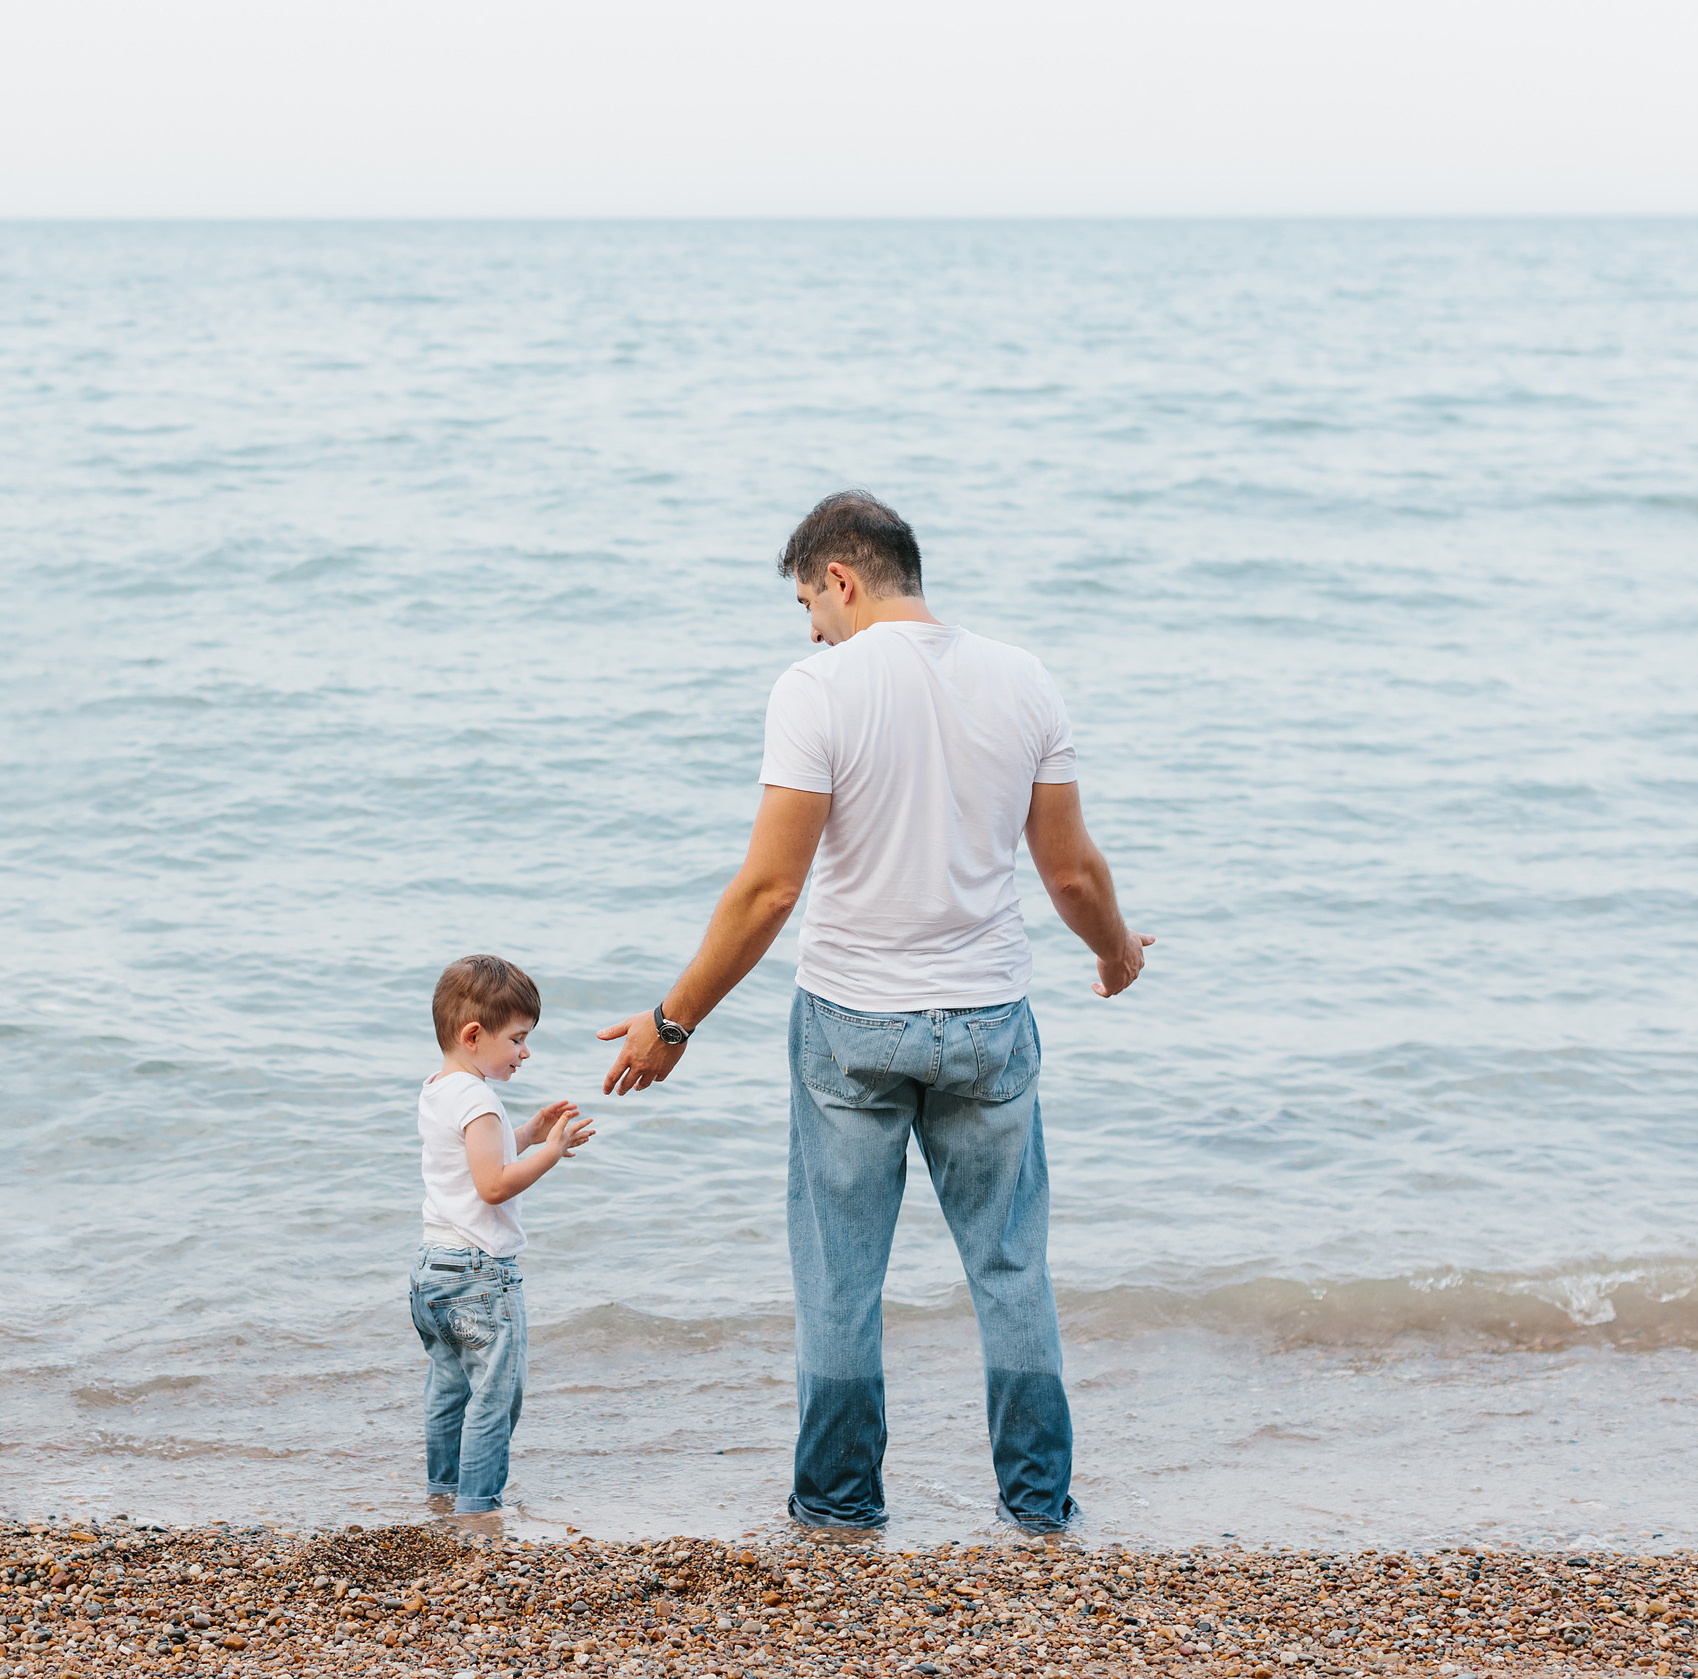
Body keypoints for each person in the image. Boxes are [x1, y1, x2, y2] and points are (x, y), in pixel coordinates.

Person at [597, 491, 1152, 1535]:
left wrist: (671, 1023)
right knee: (1010, 1270)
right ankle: (1037, 1508)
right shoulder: (1024, 677)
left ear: (841, 579)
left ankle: (840, 1507)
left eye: (809, 600)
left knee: (840, 1278)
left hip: (852, 1025)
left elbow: (767, 891)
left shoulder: (817, 689)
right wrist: (1116, 954)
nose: (810, 626)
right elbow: (1071, 872)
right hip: (987, 1019)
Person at [413, 953, 596, 1515]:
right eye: (517, 1039)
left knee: (448, 1389)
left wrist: (528, 1131)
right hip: (480, 1275)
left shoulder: (439, 1089)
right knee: (494, 1397)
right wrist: (552, 1151)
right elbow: (493, 1185)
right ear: (474, 1034)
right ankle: (478, 1506)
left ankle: (443, 1493)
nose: (525, 1052)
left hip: (432, 1269)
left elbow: (475, 1159)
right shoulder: (479, 1099)